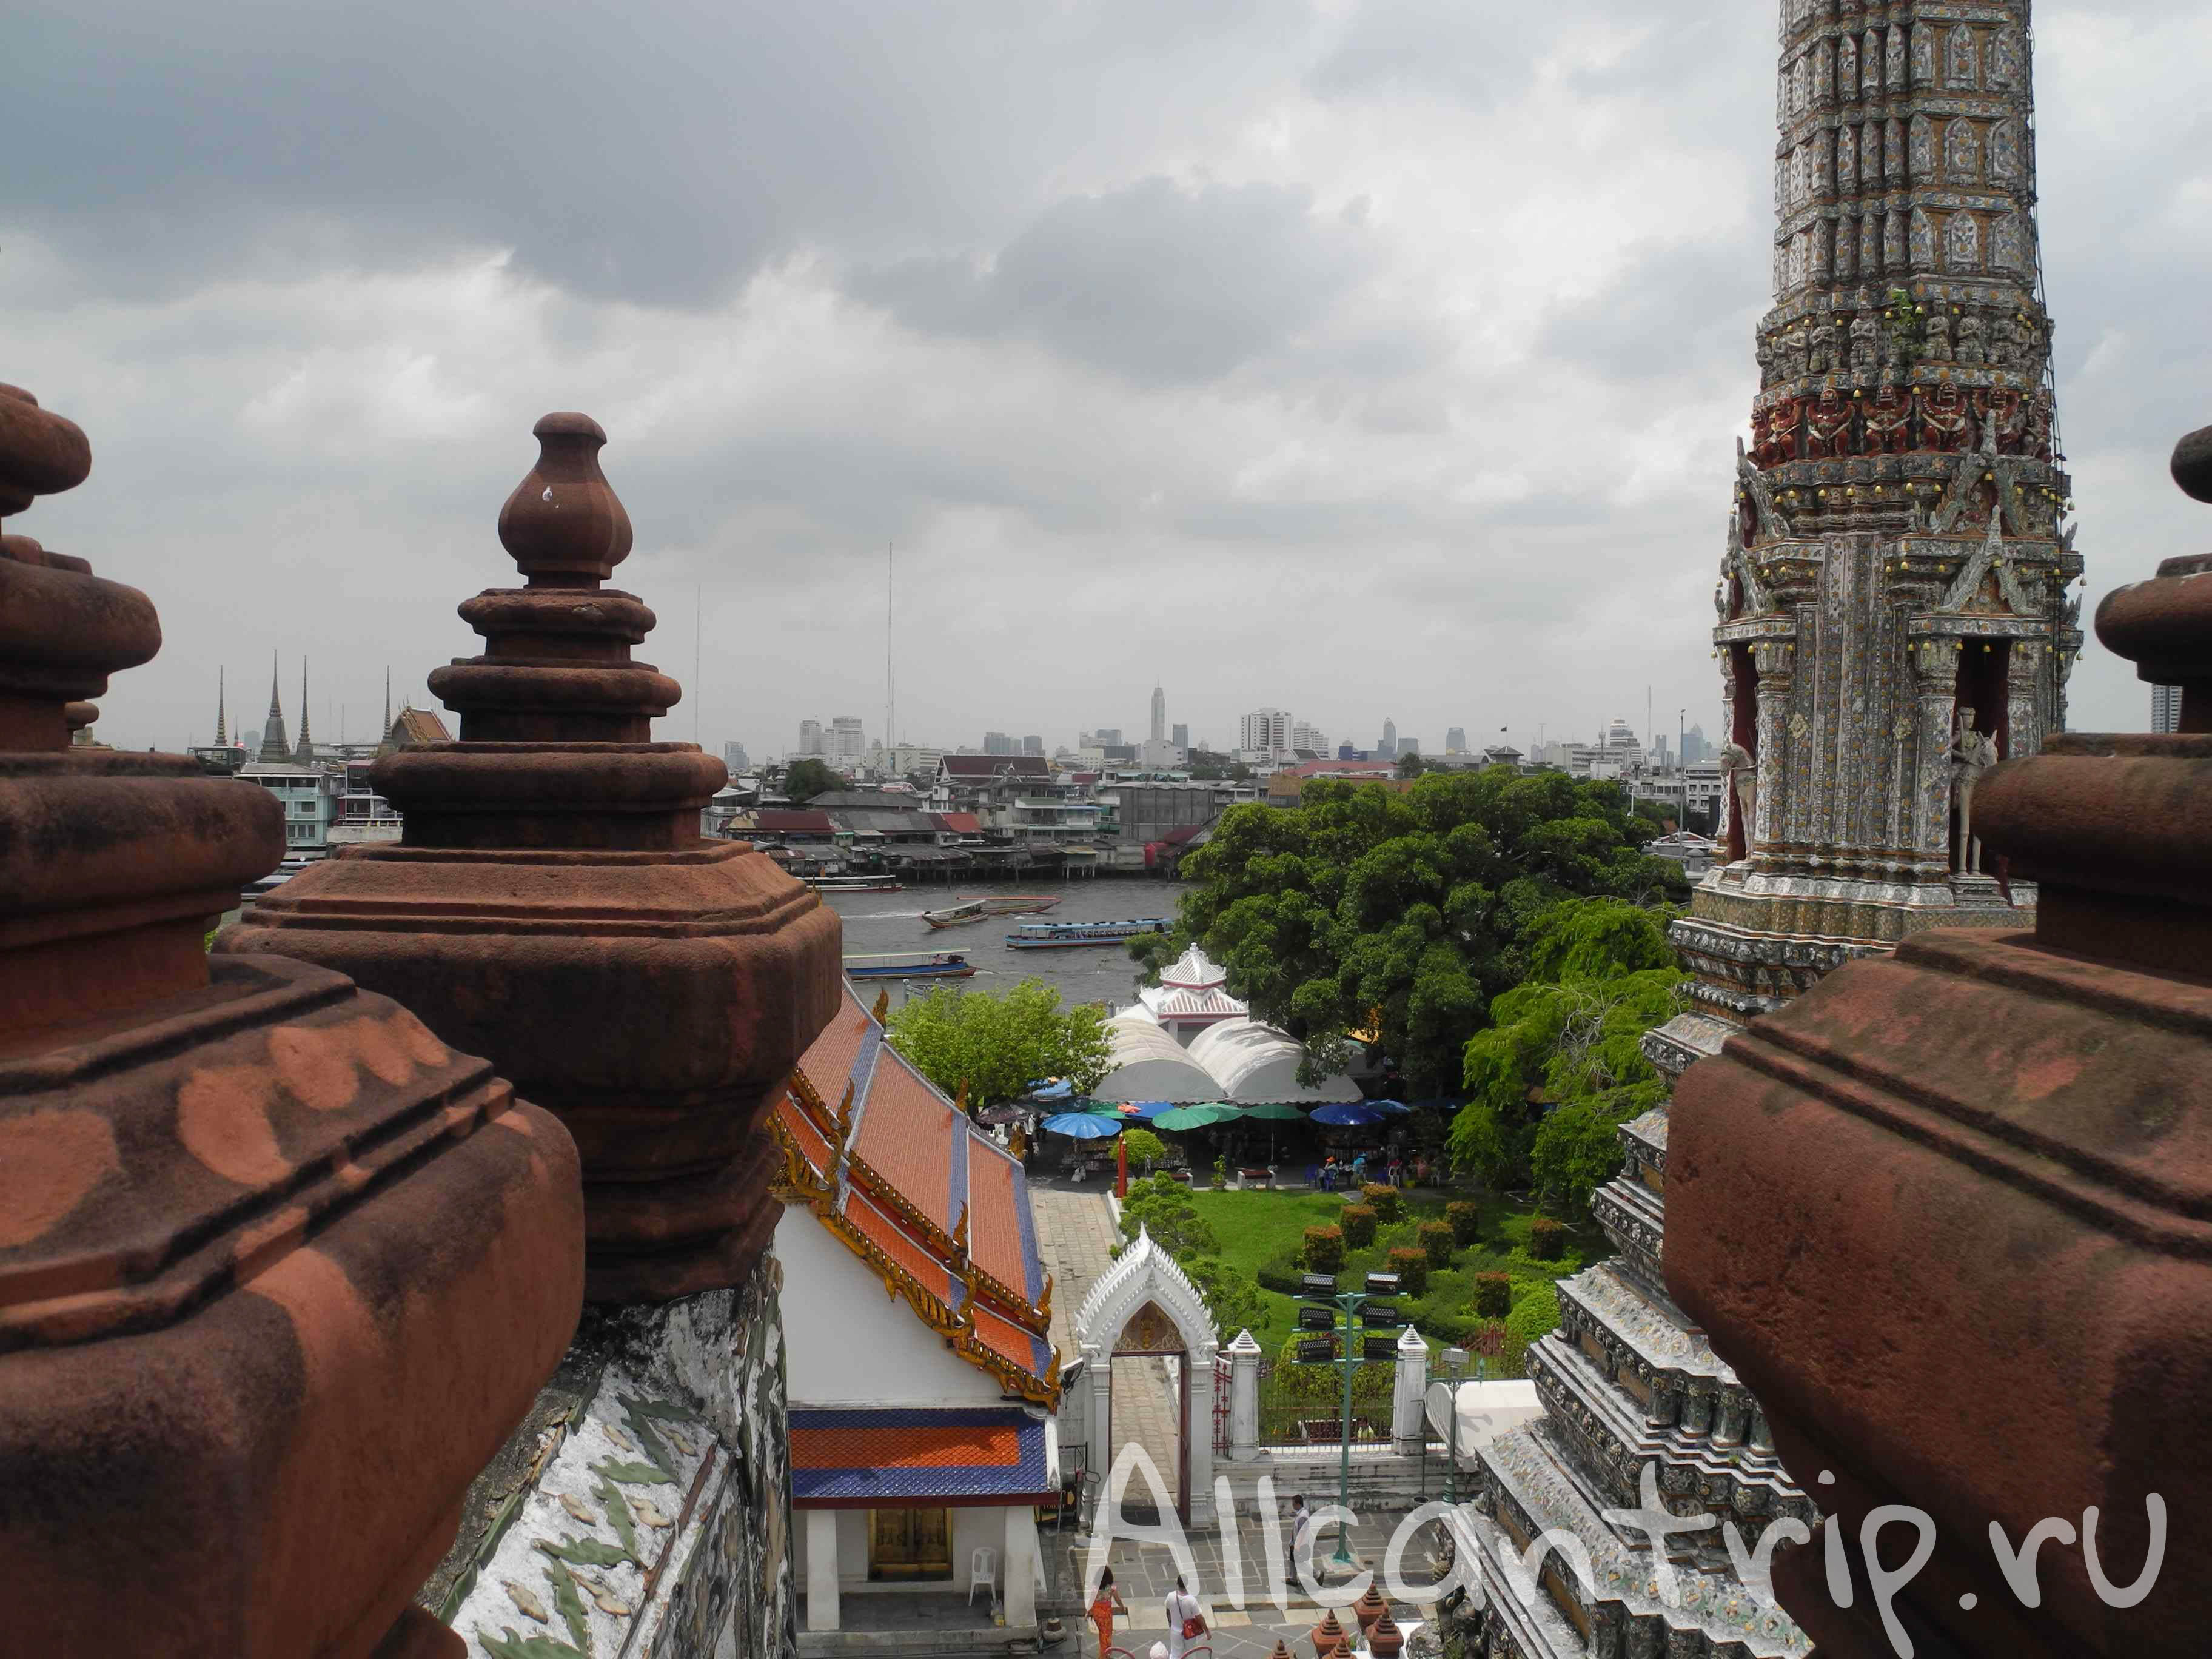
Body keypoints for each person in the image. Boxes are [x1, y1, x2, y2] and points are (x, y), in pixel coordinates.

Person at [1165, 1574, 1205, 1659]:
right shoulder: (1192, 1600)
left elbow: (1168, 1611)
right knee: (1191, 1654)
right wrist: (1207, 1631)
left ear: (1177, 1584)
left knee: (1175, 1654)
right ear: (1187, 1585)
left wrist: (1170, 1622)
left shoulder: (1170, 1596)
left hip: (1175, 1631)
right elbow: (1199, 1617)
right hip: (1190, 1631)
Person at [1089, 1567, 1127, 1659]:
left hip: (1097, 1614)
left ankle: (1105, 1654)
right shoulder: (1111, 1588)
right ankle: (1105, 1655)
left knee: (1102, 1633)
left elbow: (1091, 1601)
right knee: (1107, 1635)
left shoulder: (1095, 1588)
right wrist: (1122, 1607)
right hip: (1106, 1615)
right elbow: (1117, 1599)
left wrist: (1089, 1612)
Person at [1287, 1493, 1311, 1584]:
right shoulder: (1302, 1514)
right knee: (1292, 1560)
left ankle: (1317, 1575)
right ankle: (1293, 1578)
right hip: (1295, 1543)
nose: (1293, 1506)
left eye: (1293, 1504)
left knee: (1300, 1564)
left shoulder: (1303, 1517)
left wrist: (1297, 1545)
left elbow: (1303, 1532)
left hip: (1300, 1544)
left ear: (1298, 1504)